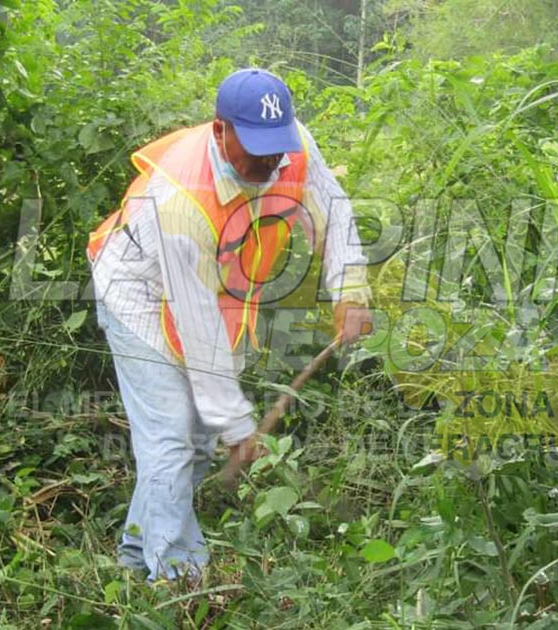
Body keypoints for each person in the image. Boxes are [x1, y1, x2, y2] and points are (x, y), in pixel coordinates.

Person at [85, 68, 373, 582]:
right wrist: (238, 427)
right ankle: (179, 582)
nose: (269, 161)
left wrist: (350, 290)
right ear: (220, 131)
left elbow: (333, 207)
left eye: (276, 146)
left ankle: (133, 555)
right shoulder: (180, 199)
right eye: (255, 147)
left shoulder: (293, 146)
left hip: (217, 287)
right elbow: (197, 332)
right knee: (172, 438)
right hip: (139, 290)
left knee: (194, 447)